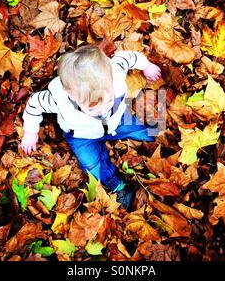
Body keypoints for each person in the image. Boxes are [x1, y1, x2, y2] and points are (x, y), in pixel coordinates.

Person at [20, 44, 161, 211]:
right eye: (93, 108)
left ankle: (158, 147)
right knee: (91, 163)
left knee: (144, 133)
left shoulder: (115, 72)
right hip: (82, 135)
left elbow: (129, 57)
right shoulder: (60, 99)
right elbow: (34, 104)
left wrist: (147, 66)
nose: (102, 110)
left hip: (118, 120)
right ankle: (118, 186)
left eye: (108, 101)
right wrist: (30, 131)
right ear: (70, 93)